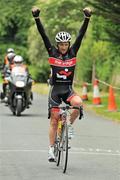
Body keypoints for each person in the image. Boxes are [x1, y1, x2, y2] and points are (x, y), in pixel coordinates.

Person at [32, 6, 92, 162]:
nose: (64, 47)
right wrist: (37, 18)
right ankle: (51, 149)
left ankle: (67, 126)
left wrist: (87, 18)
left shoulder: (73, 52)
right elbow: (43, 35)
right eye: (61, 44)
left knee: (78, 104)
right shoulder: (52, 52)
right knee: (54, 119)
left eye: (66, 44)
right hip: (55, 91)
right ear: (57, 45)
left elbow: (81, 35)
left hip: (68, 90)